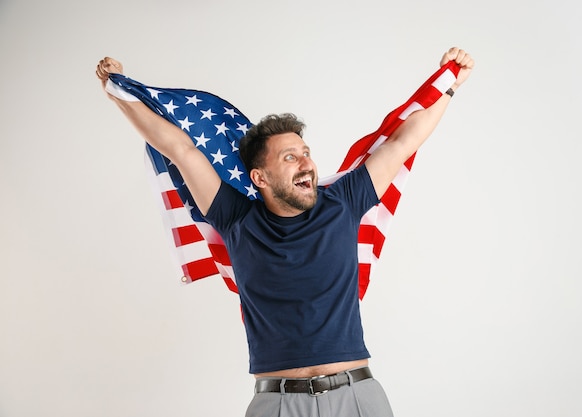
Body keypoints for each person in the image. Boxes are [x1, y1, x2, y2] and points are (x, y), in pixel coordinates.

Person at [96, 47, 474, 417]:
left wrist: (451, 83)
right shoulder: (235, 218)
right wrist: (118, 92)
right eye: (290, 157)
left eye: (305, 152)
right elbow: (181, 149)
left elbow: (404, 141)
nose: (306, 162)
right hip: (276, 404)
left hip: (356, 397)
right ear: (259, 177)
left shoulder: (343, 201)